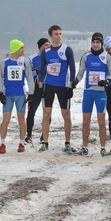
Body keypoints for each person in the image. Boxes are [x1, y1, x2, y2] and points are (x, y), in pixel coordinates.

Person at [37, 24, 76, 153]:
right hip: (49, 86)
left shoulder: (67, 49)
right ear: (50, 36)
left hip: (63, 86)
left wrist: (71, 85)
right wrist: (41, 86)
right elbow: (42, 70)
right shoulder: (46, 52)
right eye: (56, 34)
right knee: (46, 114)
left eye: (60, 34)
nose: (59, 36)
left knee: (66, 115)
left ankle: (67, 143)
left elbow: (72, 68)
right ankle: (45, 142)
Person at [75, 32, 111, 157]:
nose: (95, 44)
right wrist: (73, 84)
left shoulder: (106, 56)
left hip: (101, 93)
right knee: (85, 122)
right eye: (94, 42)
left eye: (98, 42)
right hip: (88, 92)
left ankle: (103, 148)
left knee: (101, 121)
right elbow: (80, 73)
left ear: (102, 43)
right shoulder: (86, 56)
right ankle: (85, 147)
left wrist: (106, 81)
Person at [0, 39, 35, 154]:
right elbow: (0, 78)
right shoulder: (4, 62)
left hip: (20, 95)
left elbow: (29, 77)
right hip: (8, 95)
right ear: (15, 48)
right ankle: (2, 144)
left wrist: (31, 93)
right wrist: (0, 93)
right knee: (6, 120)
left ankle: (21, 143)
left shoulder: (25, 62)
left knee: (21, 120)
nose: (23, 50)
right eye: (21, 48)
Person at [25, 38, 50, 144]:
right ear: (40, 47)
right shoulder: (31, 58)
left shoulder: (52, 57)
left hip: (48, 87)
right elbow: (28, 75)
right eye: (45, 45)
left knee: (47, 113)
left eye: (49, 45)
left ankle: (44, 134)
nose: (48, 47)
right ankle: (29, 135)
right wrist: (38, 73)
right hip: (35, 88)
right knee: (31, 112)